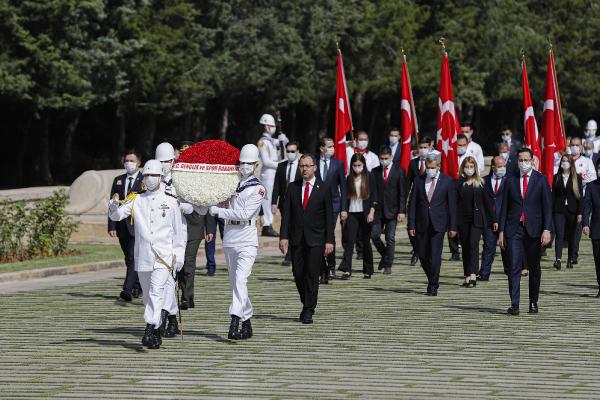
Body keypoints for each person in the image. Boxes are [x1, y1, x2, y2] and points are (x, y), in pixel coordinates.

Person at [108, 159, 186, 349]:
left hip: (164, 256)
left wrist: (179, 255)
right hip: (143, 256)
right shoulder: (136, 199)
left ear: (161, 177)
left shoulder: (170, 201)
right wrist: (112, 206)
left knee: (156, 291)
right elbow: (117, 216)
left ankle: (149, 328)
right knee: (148, 297)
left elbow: (179, 231)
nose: (151, 179)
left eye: (154, 176)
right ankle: (157, 330)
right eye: (148, 175)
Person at [208, 144, 265, 340]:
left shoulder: (258, 188)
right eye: (242, 163)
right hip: (230, 237)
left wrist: (219, 212)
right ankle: (247, 323)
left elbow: (246, 213)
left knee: (241, 280)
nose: (244, 166)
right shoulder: (232, 184)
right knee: (236, 284)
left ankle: (234, 320)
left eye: (249, 163)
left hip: (247, 238)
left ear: (256, 164)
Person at [279, 154, 334, 324]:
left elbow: (329, 217)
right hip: (297, 238)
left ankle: (309, 308)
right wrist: (283, 237)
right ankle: (306, 301)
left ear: (314, 168)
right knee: (298, 273)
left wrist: (329, 240)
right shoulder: (293, 187)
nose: (304, 169)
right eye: (302, 166)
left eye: (307, 166)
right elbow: (286, 215)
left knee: (312, 274)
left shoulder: (323, 188)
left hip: (316, 239)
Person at [499, 148, 552, 315]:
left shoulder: (541, 180)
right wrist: (501, 231)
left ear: (532, 161)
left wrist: (547, 229)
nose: (523, 163)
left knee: (534, 267)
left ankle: (533, 302)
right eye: (520, 160)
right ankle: (514, 304)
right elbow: (504, 207)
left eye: (526, 160)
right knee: (514, 266)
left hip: (535, 230)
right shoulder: (510, 180)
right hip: (514, 229)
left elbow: (547, 208)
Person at [408, 155, 457, 296]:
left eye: (432, 168)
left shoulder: (447, 181)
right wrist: (411, 224)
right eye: (428, 167)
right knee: (423, 254)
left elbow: (452, 206)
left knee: (435, 255)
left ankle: (433, 285)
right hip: (421, 223)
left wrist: (453, 227)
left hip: (439, 224)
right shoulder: (418, 180)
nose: (430, 170)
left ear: (438, 166)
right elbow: (412, 204)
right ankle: (432, 277)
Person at [108, 149, 144, 302]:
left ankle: (127, 290)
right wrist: (112, 225)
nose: (128, 163)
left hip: (138, 225)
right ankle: (138, 286)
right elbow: (112, 204)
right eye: (126, 160)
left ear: (139, 163)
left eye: (132, 160)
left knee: (133, 257)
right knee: (129, 258)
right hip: (122, 226)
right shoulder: (118, 180)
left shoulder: (144, 180)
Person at [456, 157, 497, 287]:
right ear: (463, 168)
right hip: (462, 220)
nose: (469, 169)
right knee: (465, 246)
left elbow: (487, 203)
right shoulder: (458, 183)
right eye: (467, 166)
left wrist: (494, 219)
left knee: (473, 244)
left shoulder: (481, 183)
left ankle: (473, 274)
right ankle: (467, 274)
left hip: (477, 219)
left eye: (471, 166)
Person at [339, 153, 378, 279]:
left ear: (364, 165)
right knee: (349, 241)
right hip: (352, 213)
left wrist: (372, 212)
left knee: (365, 241)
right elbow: (344, 196)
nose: (357, 167)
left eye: (359, 165)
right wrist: (343, 210)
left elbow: (374, 196)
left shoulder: (369, 177)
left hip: (365, 213)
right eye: (354, 165)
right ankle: (347, 269)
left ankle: (368, 269)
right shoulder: (348, 178)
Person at [317, 137, 348, 283]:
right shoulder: (314, 164)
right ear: (322, 148)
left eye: (332, 146)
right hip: (316, 206)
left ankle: (331, 266)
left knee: (330, 235)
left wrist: (344, 209)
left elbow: (343, 187)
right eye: (329, 146)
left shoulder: (338, 164)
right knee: (319, 236)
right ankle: (320, 267)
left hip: (334, 205)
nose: (332, 148)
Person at [371, 146, 406, 274]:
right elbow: (373, 191)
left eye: (386, 158)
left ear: (391, 157)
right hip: (378, 210)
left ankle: (388, 265)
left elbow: (402, 193)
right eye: (381, 158)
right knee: (374, 235)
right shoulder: (375, 171)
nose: (384, 160)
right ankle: (386, 255)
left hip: (393, 210)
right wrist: (372, 208)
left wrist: (402, 211)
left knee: (390, 237)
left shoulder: (399, 171)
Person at [271, 141, 301, 266]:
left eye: (293, 151)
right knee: (286, 226)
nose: (290, 154)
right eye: (288, 151)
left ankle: (296, 253)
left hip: (299, 202)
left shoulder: (302, 165)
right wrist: (274, 203)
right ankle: (288, 254)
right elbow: (277, 185)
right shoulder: (281, 166)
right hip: (284, 202)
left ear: (298, 152)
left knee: (296, 227)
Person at [179, 210, 216, 310]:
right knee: (179, 263)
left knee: (188, 262)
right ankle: (188, 296)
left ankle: (186, 297)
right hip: (176, 227)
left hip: (195, 227)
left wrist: (209, 229)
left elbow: (207, 205)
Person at [478, 155, 508, 281]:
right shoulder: (484, 181)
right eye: (499, 166)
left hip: (505, 219)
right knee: (489, 247)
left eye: (504, 166)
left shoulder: (509, 181)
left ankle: (510, 270)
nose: (502, 168)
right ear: (493, 167)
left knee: (506, 247)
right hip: (489, 220)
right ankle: (484, 273)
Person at [569, 137, 597, 265]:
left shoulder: (586, 161)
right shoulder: (565, 160)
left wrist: (579, 179)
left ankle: (574, 254)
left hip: (582, 197)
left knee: (578, 227)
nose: (575, 147)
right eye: (572, 145)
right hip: (567, 199)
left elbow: (593, 176)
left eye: (577, 145)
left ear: (581, 146)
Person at [405, 136, 433, 266]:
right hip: (416, 199)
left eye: (425, 147)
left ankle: (426, 252)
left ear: (430, 147)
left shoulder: (435, 162)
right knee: (411, 227)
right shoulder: (413, 163)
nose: (422, 150)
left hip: (431, 199)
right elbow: (408, 183)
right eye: (420, 148)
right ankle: (416, 249)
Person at [552, 155, 583, 270]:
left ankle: (570, 258)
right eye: (563, 161)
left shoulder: (577, 178)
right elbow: (553, 196)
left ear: (571, 163)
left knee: (571, 235)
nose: (564, 163)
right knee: (559, 234)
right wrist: (551, 211)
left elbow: (580, 197)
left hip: (572, 210)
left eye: (567, 161)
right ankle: (558, 259)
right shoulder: (556, 177)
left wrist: (580, 213)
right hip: (559, 210)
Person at [257, 113, 282, 237]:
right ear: (266, 126)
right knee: (267, 200)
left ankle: (269, 224)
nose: (274, 128)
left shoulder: (271, 141)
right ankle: (267, 225)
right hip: (267, 174)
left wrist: (283, 139)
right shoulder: (263, 142)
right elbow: (266, 161)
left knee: (273, 199)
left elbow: (281, 142)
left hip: (274, 173)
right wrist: (280, 164)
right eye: (272, 126)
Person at [582, 157, 600, 298]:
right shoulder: (591, 186)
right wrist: (585, 224)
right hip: (597, 228)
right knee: (598, 259)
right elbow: (587, 206)